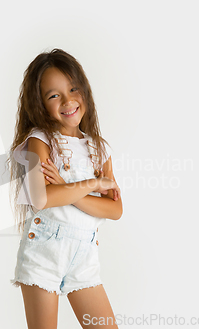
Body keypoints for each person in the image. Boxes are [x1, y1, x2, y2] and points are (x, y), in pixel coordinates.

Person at [7, 48, 123, 329]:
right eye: (54, 95)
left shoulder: (99, 148)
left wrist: (68, 188)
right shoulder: (40, 140)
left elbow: (115, 209)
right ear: (40, 104)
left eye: (73, 89)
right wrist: (93, 184)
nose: (68, 100)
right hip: (44, 253)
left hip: (84, 258)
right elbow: (41, 198)